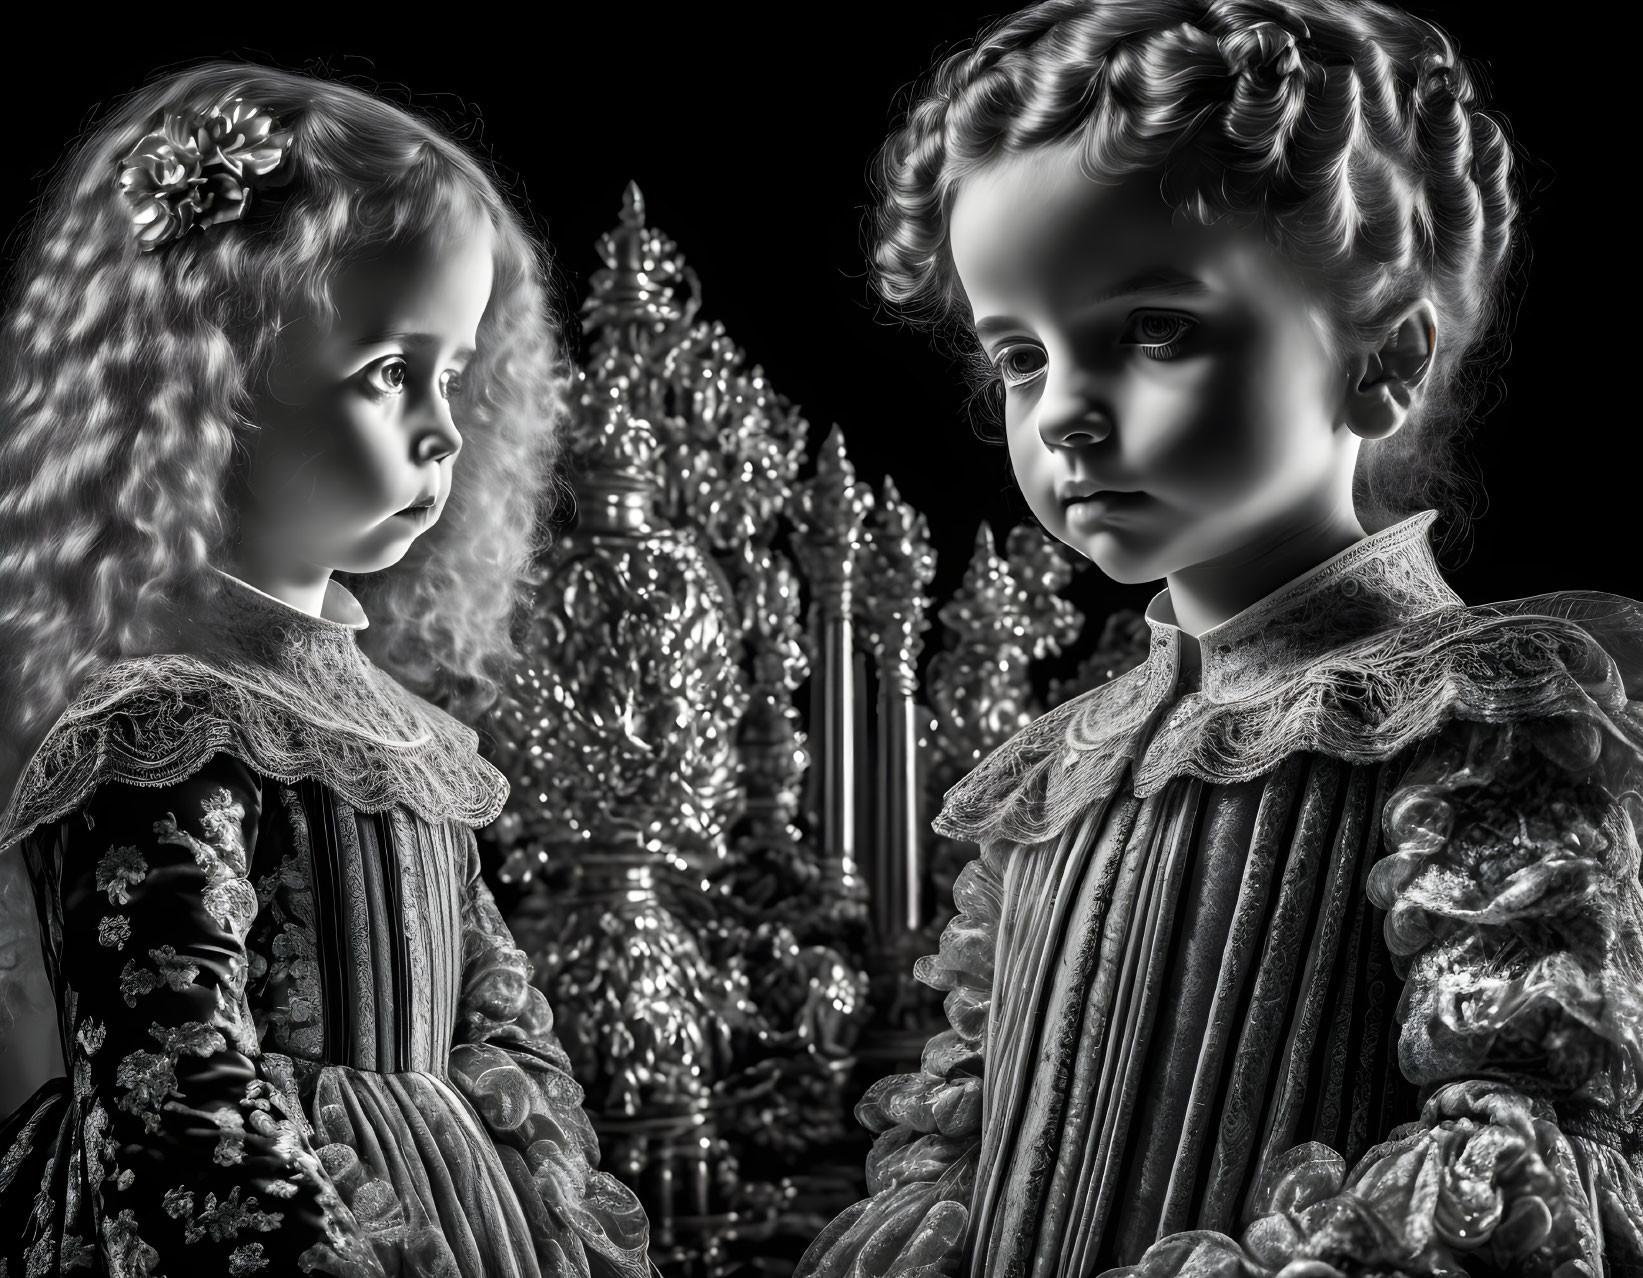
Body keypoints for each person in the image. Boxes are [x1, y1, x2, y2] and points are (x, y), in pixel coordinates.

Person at [799, 1, 1643, 1274]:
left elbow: (1517, 1144)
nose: (1068, 413)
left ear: (1383, 357)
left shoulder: (1478, 717)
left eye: (1155, 330)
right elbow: (967, 1148)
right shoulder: (1059, 764)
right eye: (1021, 356)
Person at [0, 61, 652, 1277]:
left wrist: (541, 1175)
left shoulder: (404, 734)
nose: (443, 426)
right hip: (277, 1214)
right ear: (214, 386)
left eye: (453, 374)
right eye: (390, 372)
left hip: (464, 1212)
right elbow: (173, 1081)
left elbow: (497, 1015)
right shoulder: (163, 729)